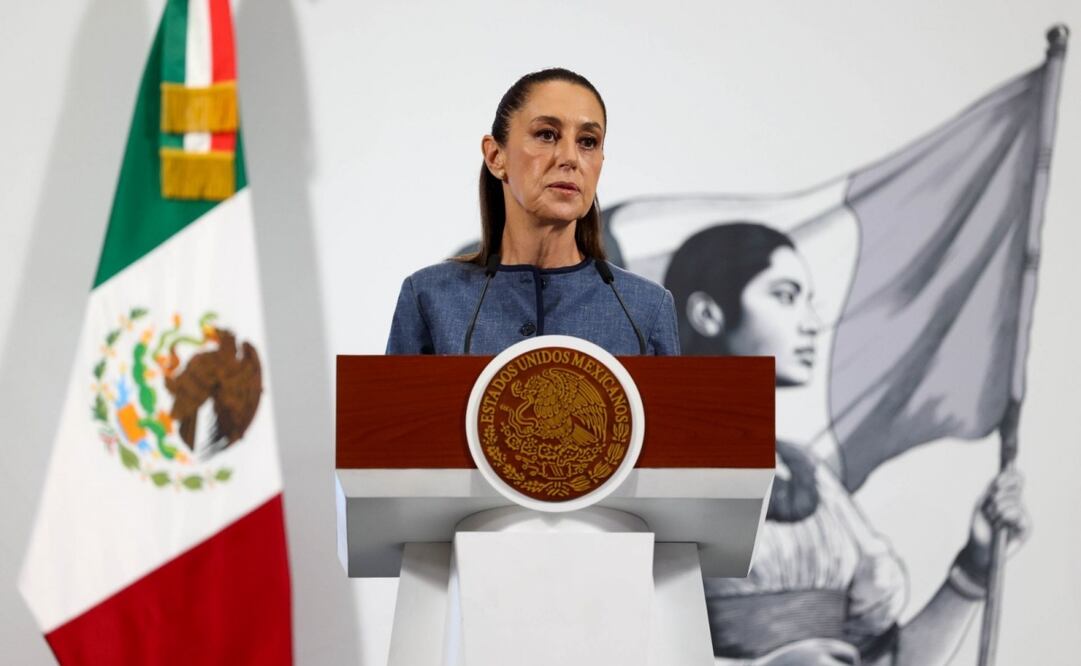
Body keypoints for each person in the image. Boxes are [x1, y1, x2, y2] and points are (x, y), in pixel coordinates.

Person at [664, 222, 1030, 666]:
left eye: (808, 301)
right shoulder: (661, 463)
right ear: (708, 314)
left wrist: (974, 567)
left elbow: (890, 661)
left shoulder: (810, 475)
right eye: (785, 296)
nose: (812, 323)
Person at [386, 68, 679, 356]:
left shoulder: (646, 309)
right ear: (495, 156)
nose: (570, 158)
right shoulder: (429, 297)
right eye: (546, 135)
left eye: (588, 141)